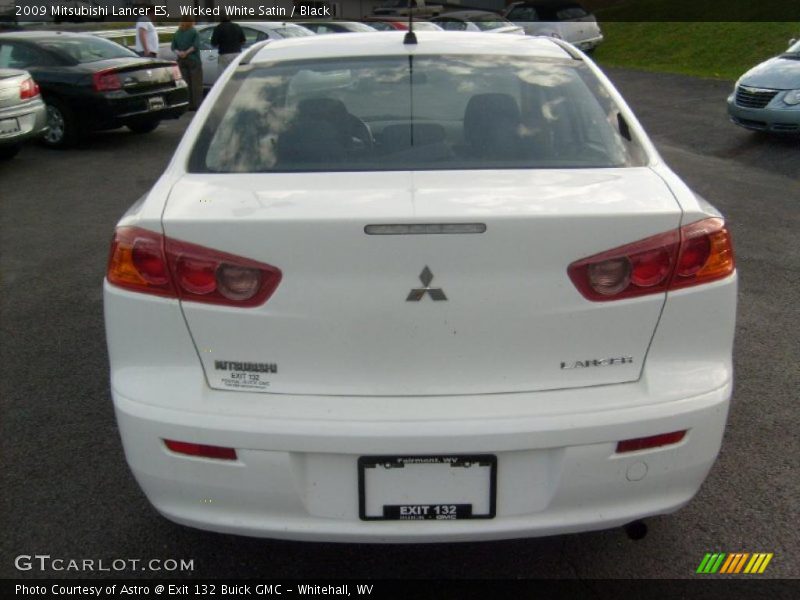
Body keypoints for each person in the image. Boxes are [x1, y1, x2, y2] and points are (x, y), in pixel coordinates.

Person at [171, 17, 203, 111]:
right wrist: (187, 52)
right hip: (193, 59)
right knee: (196, 83)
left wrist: (180, 53)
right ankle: (197, 105)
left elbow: (173, 47)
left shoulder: (177, 33)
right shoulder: (194, 32)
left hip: (181, 60)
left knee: (186, 83)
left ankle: (188, 105)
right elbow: (195, 46)